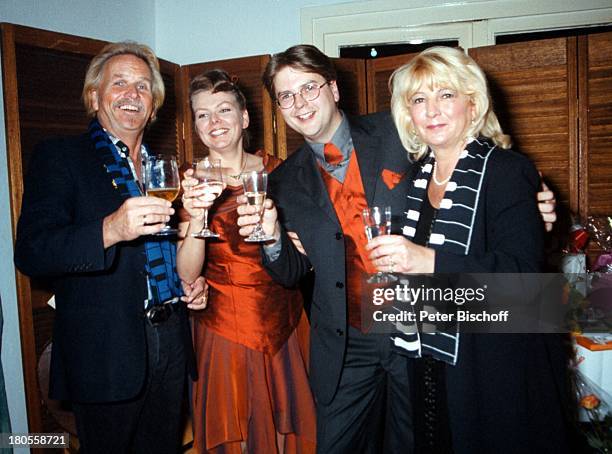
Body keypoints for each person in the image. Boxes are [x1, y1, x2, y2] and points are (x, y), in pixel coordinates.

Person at [236, 44, 560, 453]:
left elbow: (480, 181)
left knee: (421, 440)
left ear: (334, 89)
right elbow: (292, 272)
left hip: (425, 325)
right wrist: (271, 240)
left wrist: (536, 203)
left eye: (309, 87)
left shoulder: (399, 132)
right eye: (286, 95)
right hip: (347, 340)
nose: (299, 103)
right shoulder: (283, 181)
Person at [365, 46, 571, 453]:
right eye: (419, 100)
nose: (432, 110)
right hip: (430, 363)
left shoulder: (507, 171)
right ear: (408, 114)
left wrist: (428, 261)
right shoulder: (415, 180)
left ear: (472, 102)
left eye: (446, 95)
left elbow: (524, 281)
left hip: (495, 365)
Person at [14, 41, 205, 454]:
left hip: (170, 339)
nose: (132, 94)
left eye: (142, 87)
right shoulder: (60, 157)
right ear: (93, 96)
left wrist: (188, 281)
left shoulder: (162, 169)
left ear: (153, 106)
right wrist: (110, 229)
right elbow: (32, 251)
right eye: (119, 83)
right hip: (103, 352)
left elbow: (164, 253)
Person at [177, 69, 315, 454]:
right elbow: (186, 272)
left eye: (223, 110)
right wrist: (198, 216)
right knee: (234, 434)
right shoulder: (189, 181)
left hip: (284, 318)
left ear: (245, 118)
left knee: (291, 428)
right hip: (223, 326)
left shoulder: (280, 171)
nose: (214, 122)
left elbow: (305, 253)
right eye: (203, 115)